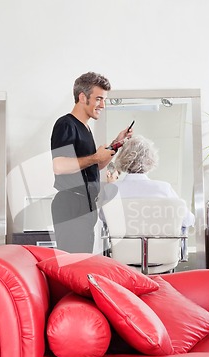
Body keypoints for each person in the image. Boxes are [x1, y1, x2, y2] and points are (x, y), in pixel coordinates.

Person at [51, 72, 132, 253]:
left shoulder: (86, 128)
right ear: (82, 97)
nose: (103, 105)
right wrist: (95, 157)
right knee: (74, 265)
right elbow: (60, 166)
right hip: (71, 204)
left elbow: (93, 166)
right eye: (98, 99)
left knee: (83, 261)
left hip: (86, 204)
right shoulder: (66, 124)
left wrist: (116, 144)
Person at [102, 135, 195, 228]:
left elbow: (104, 217)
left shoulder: (112, 190)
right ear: (150, 159)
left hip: (123, 242)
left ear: (122, 158)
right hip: (158, 242)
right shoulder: (163, 188)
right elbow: (188, 220)